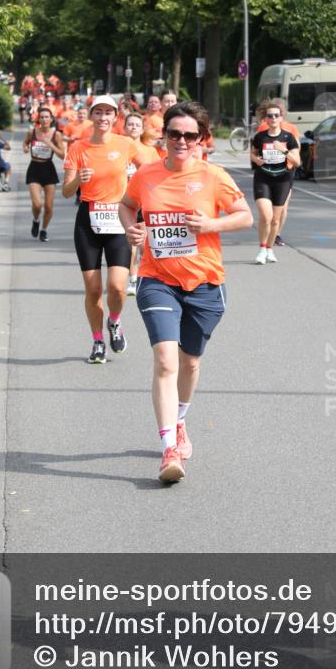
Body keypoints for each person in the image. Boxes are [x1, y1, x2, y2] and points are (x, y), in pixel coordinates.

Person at [119, 101, 253, 483]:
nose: (181, 140)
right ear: (163, 136)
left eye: (189, 135)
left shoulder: (213, 176)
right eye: (174, 133)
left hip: (205, 283)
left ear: (201, 139)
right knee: (166, 361)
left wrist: (210, 223)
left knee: (190, 363)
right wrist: (132, 229)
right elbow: (126, 206)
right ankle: (168, 450)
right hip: (157, 279)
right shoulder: (146, 176)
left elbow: (244, 216)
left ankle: (179, 420)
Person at [63, 95, 139, 364]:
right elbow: (65, 191)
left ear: (115, 117)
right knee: (93, 290)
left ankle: (115, 322)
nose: (103, 117)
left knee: (117, 287)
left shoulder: (126, 144)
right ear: (91, 116)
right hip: (89, 220)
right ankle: (97, 342)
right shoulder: (78, 148)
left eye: (109, 113)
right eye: (99, 112)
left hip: (118, 217)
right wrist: (79, 182)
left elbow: (149, 169)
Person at [251, 101, 300, 264]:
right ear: (266, 119)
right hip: (263, 178)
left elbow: (298, 162)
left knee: (276, 220)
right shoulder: (260, 137)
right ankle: (262, 249)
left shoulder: (288, 137)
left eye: (276, 115)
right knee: (266, 215)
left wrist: (284, 150)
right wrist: (256, 160)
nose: (273, 118)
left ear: (281, 118)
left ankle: (270, 249)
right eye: (270, 115)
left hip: (282, 179)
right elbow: (253, 154)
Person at [122, 111, 160, 296]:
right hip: (123, 202)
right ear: (124, 127)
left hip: (143, 200)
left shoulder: (150, 151)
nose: (133, 128)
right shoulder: (117, 149)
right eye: (130, 124)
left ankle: (148, 276)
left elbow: (158, 175)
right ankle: (133, 278)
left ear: (142, 128)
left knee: (145, 243)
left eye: (137, 125)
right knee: (131, 244)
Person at [23, 106, 65, 241]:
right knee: (37, 204)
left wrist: (51, 145)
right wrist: (25, 147)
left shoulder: (56, 135)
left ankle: (44, 230)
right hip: (34, 168)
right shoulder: (32, 132)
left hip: (48, 168)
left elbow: (62, 155)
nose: (44, 119)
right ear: (38, 119)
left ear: (51, 119)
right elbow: (25, 143)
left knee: (48, 206)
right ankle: (36, 220)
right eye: (42, 117)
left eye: (47, 117)